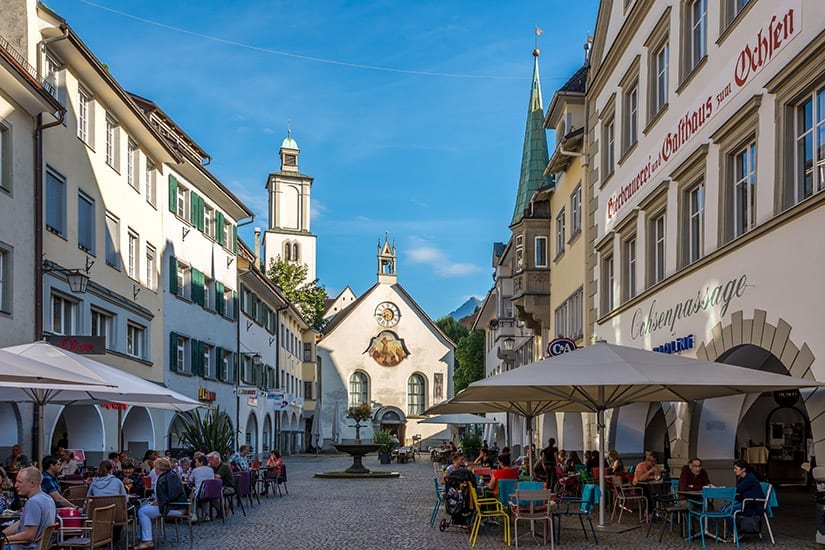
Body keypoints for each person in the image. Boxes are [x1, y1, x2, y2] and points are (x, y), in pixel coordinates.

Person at [135, 458, 187, 550]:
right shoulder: (170, 475)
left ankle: (147, 541)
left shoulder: (167, 477)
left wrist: (161, 501)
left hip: (173, 507)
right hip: (173, 505)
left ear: (158, 468)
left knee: (142, 512)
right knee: (144, 508)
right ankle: (142, 537)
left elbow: (172, 494)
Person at [2, 467, 55, 550]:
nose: (15, 485)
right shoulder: (48, 499)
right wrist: (2, 534)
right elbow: (22, 523)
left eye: (19, 482)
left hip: (24, 547)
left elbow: (29, 535)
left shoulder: (33, 502)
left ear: (32, 483)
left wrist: (4, 539)